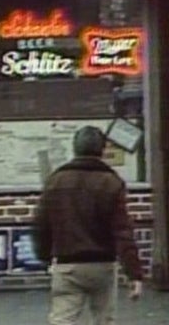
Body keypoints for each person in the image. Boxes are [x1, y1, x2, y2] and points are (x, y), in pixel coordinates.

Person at [34, 125, 143, 325]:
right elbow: (122, 231)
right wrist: (134, 273)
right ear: (102, 150)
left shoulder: (55, 181)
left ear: (75, 148)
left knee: (62, 319)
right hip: (102, 264)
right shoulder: (111, 182)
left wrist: (45, 257)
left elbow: (41, 224)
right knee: (104, 319)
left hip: (66, 264)